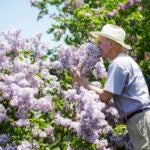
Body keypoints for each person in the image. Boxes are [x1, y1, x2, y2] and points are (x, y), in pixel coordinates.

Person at [72, 24, 150, 150]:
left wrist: (83, 82)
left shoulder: (118, 64)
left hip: (139, 121)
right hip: (141, 119)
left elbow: (105, 97)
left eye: (100, 43)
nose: (98, 46)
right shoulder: (125, 60)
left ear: (112, 44)